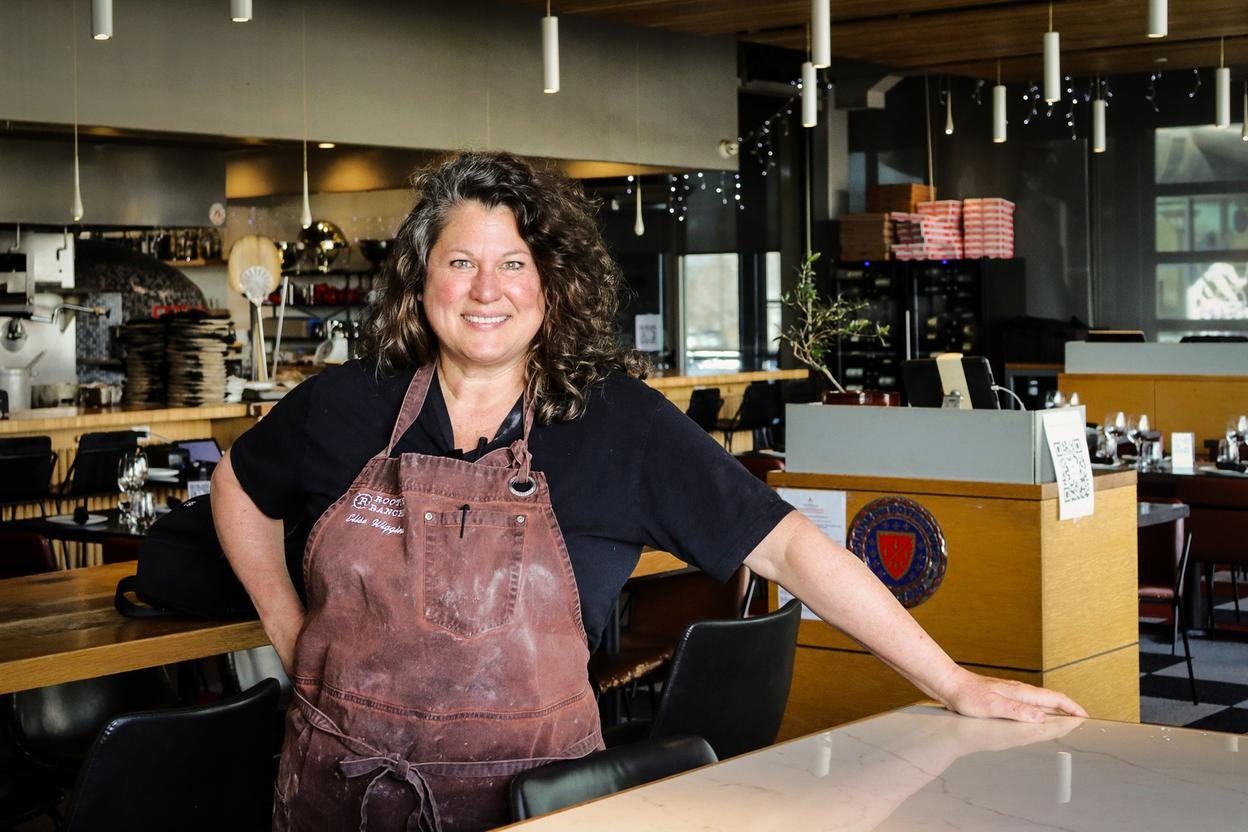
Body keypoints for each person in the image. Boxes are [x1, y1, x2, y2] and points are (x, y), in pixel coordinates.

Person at [213, 151, 1086, 832]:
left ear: (550, 285)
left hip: (541, 806)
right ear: (421, 279)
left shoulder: (615, 424)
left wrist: (952, 681)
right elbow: (238, 486)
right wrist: (290, 634)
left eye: (514, 264)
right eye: (461, 262)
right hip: (336, 799)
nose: (487, 291)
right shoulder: (345, 403)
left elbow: (787, 545)